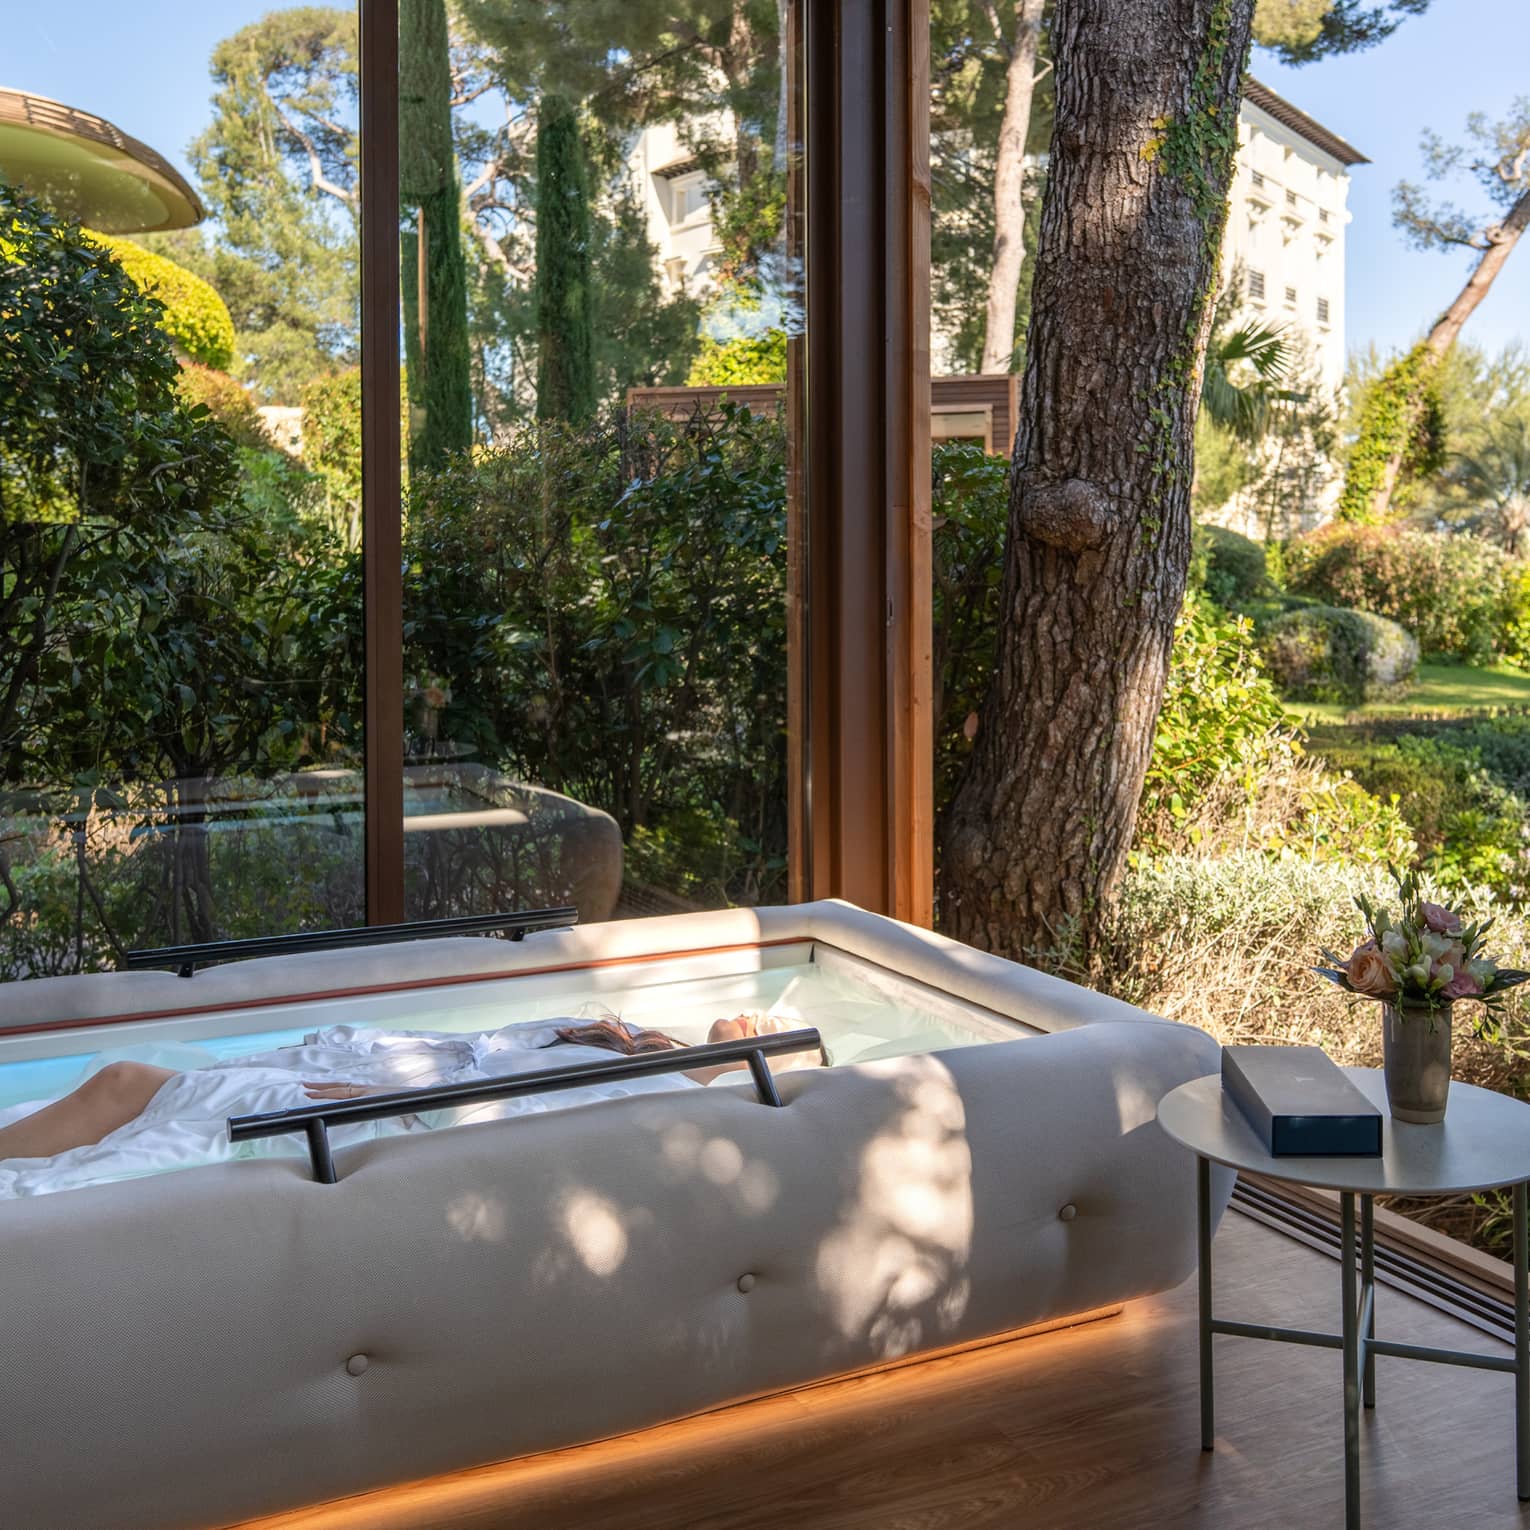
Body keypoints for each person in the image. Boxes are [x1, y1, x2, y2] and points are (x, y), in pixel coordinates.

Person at [0, 1012, 820, 1197]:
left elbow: (506, 1123)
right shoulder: (626, 1038)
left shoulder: (666, 1096)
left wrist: (388, 1088)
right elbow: (478, 1042)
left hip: (364, 1117)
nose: (759, 1021)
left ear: (766, 1069)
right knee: (122, 1083)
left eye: (776, 1032)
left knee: (131, 1107)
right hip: (353, 1077)